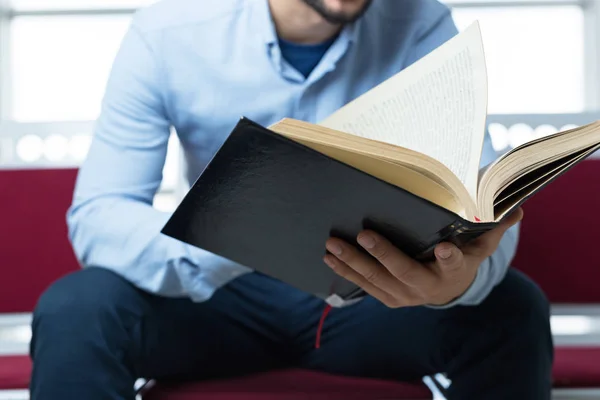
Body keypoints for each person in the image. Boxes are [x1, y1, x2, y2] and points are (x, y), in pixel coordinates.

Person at [29, 0, 553, 399]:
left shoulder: (419, 20)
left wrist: (458, 281)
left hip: (368, 296)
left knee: (512, 306)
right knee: (77, 308)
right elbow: (101, 214)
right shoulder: (167, 30)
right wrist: (237, 236)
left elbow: (475, 193)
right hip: (219, 296)